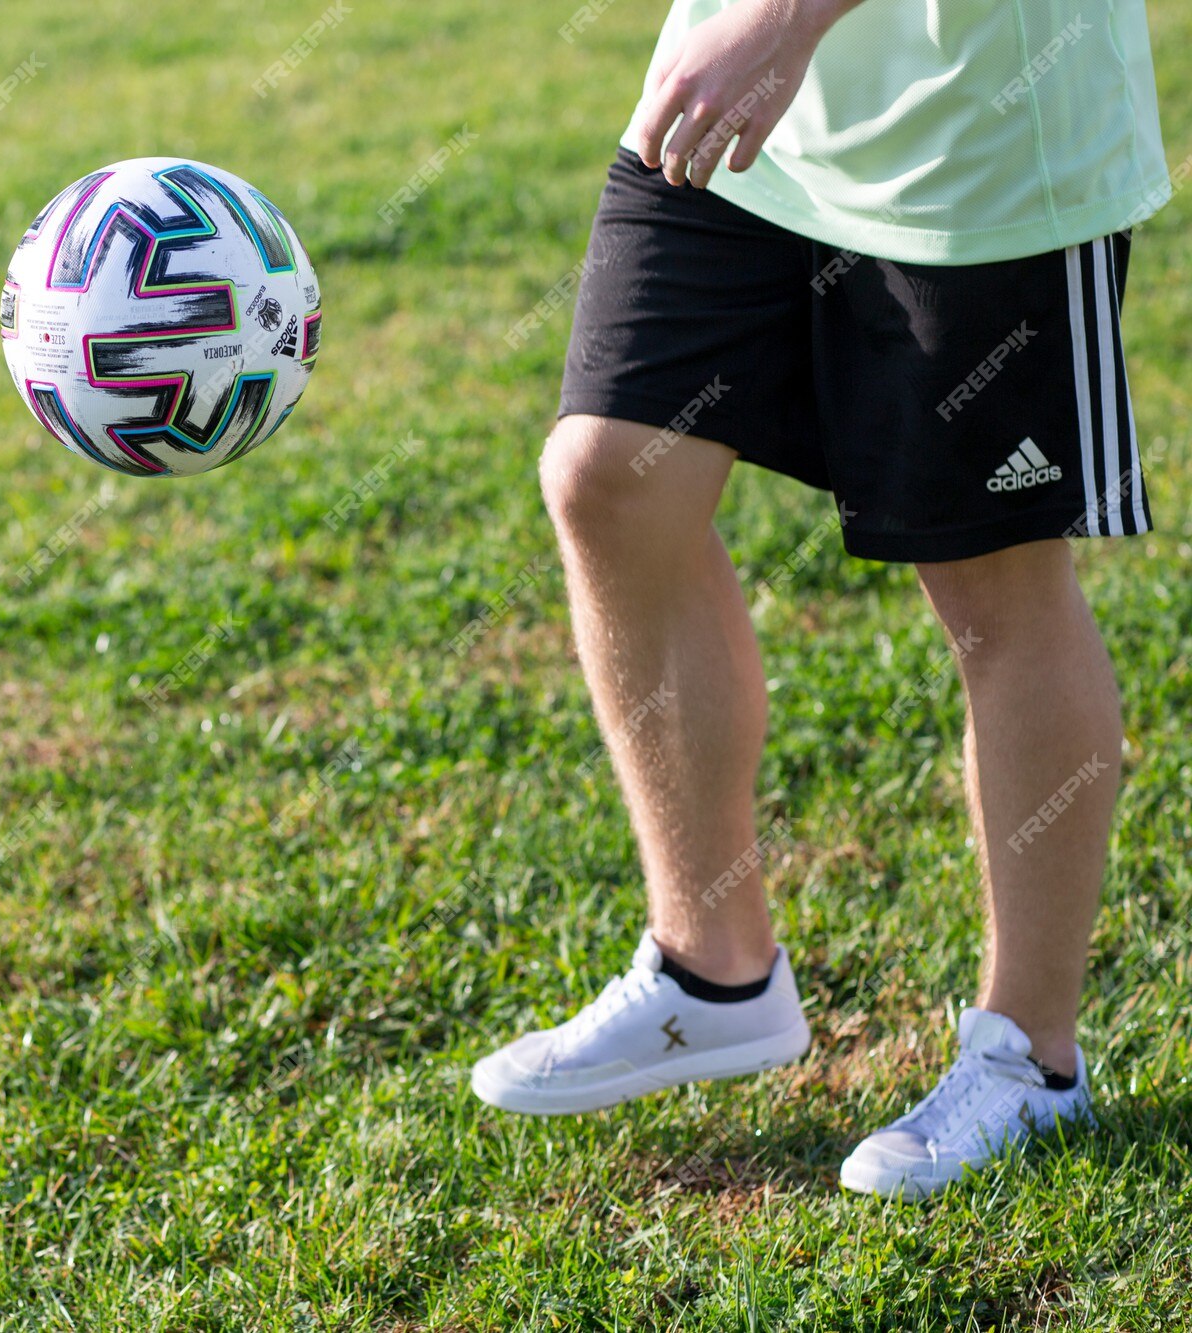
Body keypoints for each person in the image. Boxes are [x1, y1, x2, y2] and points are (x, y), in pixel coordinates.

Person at [471, 0, 1170, 1200]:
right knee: (607, 477)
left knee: (991, 582)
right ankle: (713, 972)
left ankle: (1031, 1063)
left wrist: (786, 20)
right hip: (742, 104)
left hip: (981, 136)